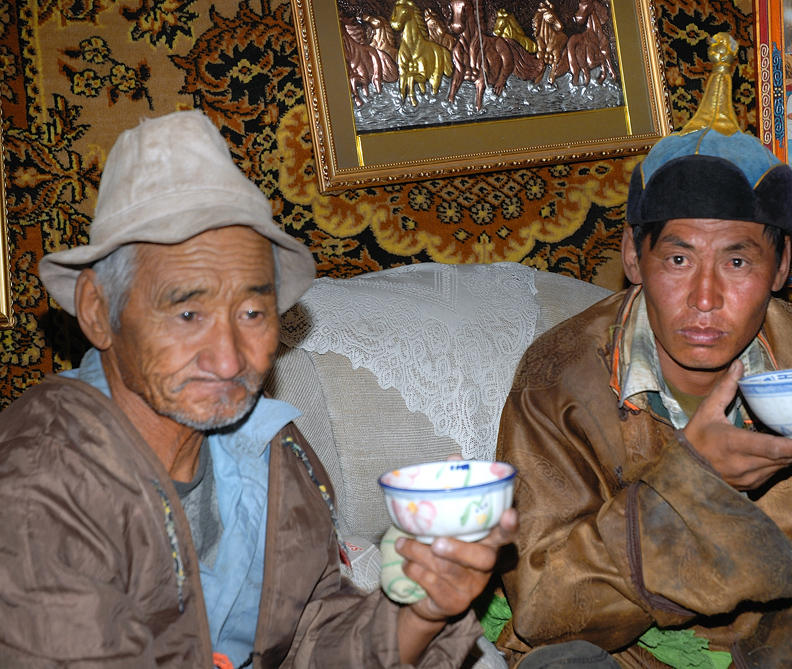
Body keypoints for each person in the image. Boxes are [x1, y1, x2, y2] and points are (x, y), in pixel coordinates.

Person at [494, 34, 792, 669]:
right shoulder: (559, 378)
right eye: (677, 258)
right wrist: (692, 485)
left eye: (738, 260)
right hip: (648, 656)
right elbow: (550, 604)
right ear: (632, 258)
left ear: (780, 266)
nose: (705, 298)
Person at [0, 110, 517, 667]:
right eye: (188, 312)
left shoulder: (269, 448)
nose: (229, 360)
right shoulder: (39, 486)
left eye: (251, 311)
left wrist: (423, 611)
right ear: (99, 312)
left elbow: (313, 631)